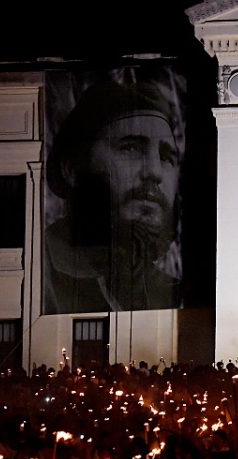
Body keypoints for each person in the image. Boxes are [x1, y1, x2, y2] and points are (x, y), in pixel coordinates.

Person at [44, 80, 182, 313]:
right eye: (131, 148)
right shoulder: (38, 274)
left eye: (166, 157)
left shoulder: (176, 295)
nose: (154, 172)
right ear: (72, 169)